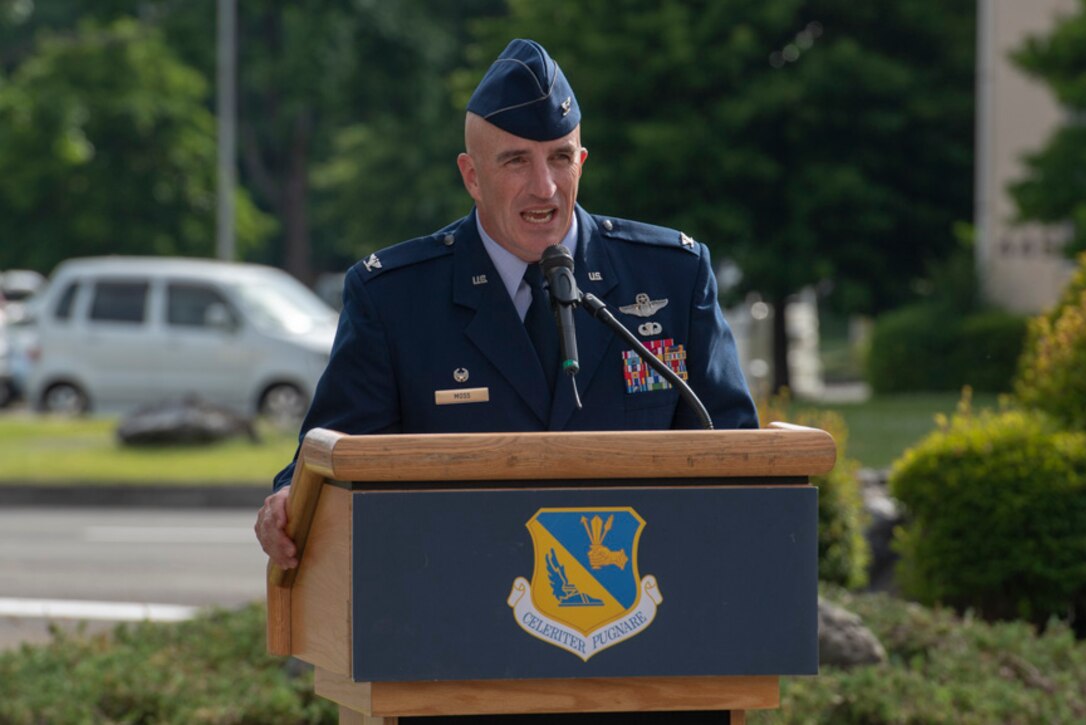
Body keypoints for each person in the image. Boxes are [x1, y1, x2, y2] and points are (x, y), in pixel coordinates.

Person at [256, 38, 758, 570]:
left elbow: (735, 454)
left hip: (644, 604)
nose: (544, 187)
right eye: (517, 161)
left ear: (582, 162)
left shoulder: (671, 275)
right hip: (457, 607)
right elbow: (331, 457)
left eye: (560, 158)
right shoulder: (395, 299)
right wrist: (290, 500)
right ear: (472, 176)